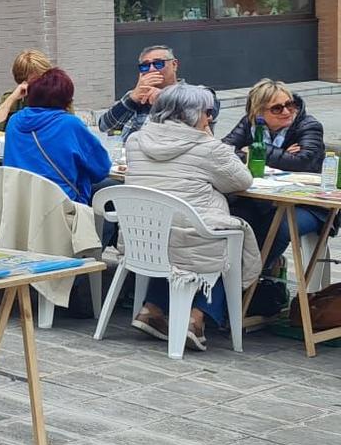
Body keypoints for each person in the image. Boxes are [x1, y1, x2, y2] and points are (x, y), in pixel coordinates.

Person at [124, 83, 259, 351]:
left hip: (145, 238)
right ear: (191, 113)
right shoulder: (206, 147)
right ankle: (196, 318)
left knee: (183, 234)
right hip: (192, 239)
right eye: (207, 111)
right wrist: (210, 139)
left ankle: (151, 308)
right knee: (226, 243)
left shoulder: (136, 140)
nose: (211, 117)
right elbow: (243, 179)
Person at [223, 79, 326, 272]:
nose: (287, 112)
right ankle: (235, 275)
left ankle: (251, 277)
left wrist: (258, 150)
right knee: (235, 218)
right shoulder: (249, 123)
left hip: (308, 203)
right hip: (262, 199)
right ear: (259, 112)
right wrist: (283, 155)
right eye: (277, 109)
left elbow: (302, 162)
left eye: (290, 104)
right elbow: (224, 151)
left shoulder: (308, 125)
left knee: (278, 227)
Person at [1, 68, 111, 206]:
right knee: (110, 189)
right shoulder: (70, 124)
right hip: (59, 211)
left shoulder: (14, 122)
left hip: (18, 209)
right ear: (66, 100)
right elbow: (102, 169)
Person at [99, 44, 217, 138]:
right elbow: (105, 127)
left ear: (174, 65)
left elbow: (210, 109)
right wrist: (132, 99)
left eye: (158, 63)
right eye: (145, 66)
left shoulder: (197, 93)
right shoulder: (136, 96)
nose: (152, 69)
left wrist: (163, 98)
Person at [0, 49, 53, 128]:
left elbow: (68, 126)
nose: (41, 82)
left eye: (44, 77)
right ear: (23, 80)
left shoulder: (58, 96)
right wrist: (12, 98)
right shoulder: (12, 97)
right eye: (36, 79)